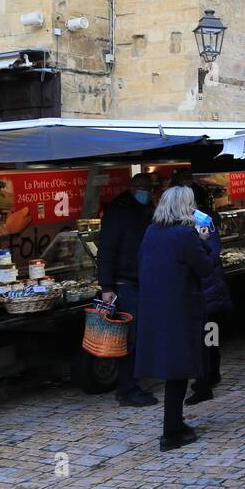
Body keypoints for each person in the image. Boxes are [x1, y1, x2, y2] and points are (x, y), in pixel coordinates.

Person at [134, 186, 217, 451]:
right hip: (180, 309)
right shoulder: (183, 235)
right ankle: (171, 431)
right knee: (178, 370)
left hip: (155, 309)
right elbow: (205, 268)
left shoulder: (151, 232)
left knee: (173, 369)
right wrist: (208, 243)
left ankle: (175, 424)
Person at [97, 173, 157, 407]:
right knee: (129, 338)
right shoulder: (118, 212)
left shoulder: (145, 210)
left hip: (140, 280)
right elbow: (107, 250)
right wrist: (107, 286)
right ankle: (128, 388)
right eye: (143, 188)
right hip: (125, 283)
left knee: (137, 335)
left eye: (149, 188)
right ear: (132, 188)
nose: (147, 192)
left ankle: (132, 383)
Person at [187, 211, 231, 406]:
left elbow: (211, 252)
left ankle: (208, 377)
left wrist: (200, 243)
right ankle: (210, 375)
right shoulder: (193, 225)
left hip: (209, 293)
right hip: (208, 292)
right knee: (207, 338)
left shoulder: (204, 223)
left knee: (208, 338)